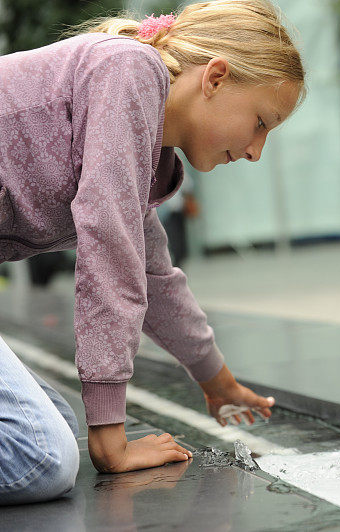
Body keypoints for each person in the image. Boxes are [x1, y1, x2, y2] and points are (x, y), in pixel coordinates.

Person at [0, 0, 304, 504]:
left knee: (47, 421)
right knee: (41, 457)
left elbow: (155, 277)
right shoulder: (129, 71)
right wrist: (109, 435)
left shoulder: (141, 137)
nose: (256, 151)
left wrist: (218, 383)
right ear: (216, 78)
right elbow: (110, 249)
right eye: (259, 123)